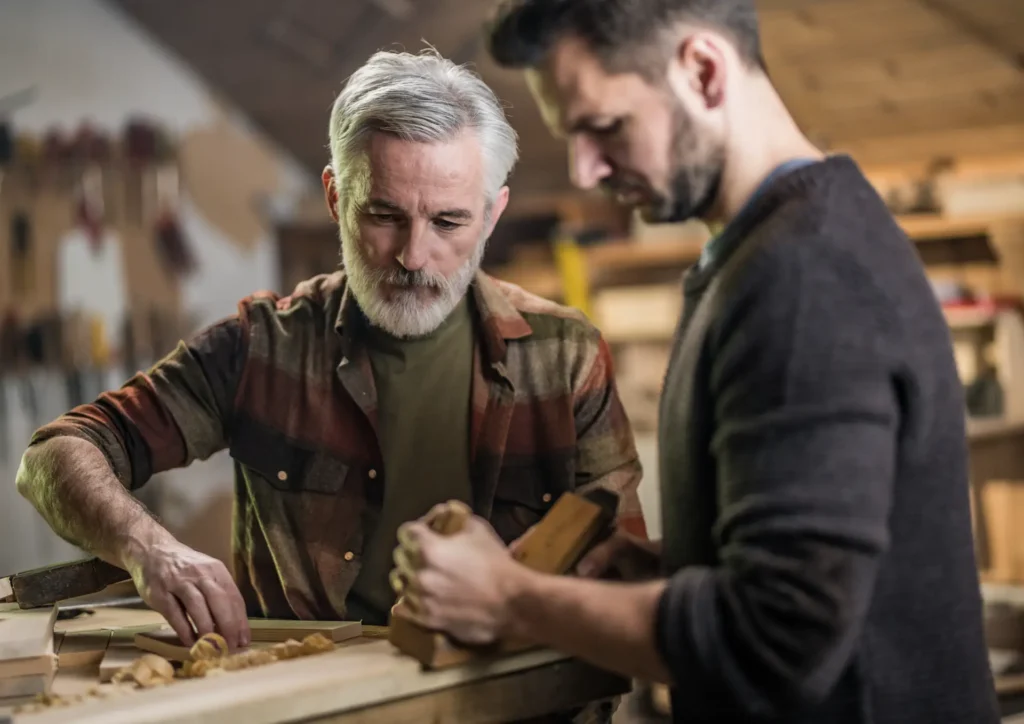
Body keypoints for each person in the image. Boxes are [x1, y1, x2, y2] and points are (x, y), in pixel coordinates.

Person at [390, 2, 1000, 722]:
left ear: (704, 71)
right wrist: (665, 570)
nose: (586, 171)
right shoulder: (775, 250)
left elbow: (778, 642)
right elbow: (820, 576)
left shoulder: (803, 277)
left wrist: (510, 597)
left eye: (605, 127)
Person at [15, 50, 645, 669]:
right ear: (335, 197)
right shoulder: (261, 345)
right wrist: (148, 548)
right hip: (312, 704)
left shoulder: (565, 356)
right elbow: (53, 453)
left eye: (449, 222)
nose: (413, 256)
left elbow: (624, 574)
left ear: (491, 215)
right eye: (384, 215)